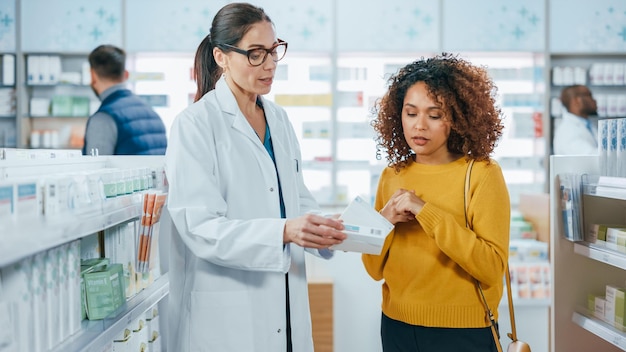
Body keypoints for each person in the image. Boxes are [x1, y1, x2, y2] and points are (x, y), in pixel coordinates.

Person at [163, 3, 347, 352]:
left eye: (275, 50)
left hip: (287, 305)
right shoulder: (195, 125)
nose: (270, 64)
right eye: (256, 54)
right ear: (221, 56)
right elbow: (199, 227)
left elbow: (296, 200)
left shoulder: (278, 119)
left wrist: (325, 227)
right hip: (229, 316)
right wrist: (284, 230)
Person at [362, 53, 511, 352]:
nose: (419, 126)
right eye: (411, 112)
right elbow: (373, 268)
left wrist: (426, 212)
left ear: (457, 118)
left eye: (434, 115)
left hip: (463, 332)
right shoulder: (392, 175)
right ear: (397, 114)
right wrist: (383, 221)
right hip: (397, 327)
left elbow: (491, 268)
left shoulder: (482, 174)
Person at [82, 44, 167, 155]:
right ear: (126, 74)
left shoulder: (103, 119)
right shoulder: (153, 115)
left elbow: (95, 170)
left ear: (93, 75)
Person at [553, 84, 598, 155]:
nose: (594, 100)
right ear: (576, 101)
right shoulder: (567, 130)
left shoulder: (588, 124)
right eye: (589, 95)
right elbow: (589, 155)